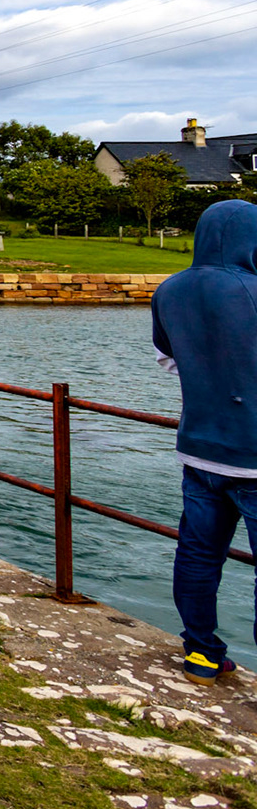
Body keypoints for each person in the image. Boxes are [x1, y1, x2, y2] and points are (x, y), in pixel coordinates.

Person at [155, 199, 257, 686]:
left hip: (199, 448)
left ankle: (201, 652)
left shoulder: (170, 289)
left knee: (198, 554)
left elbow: (169, 359)